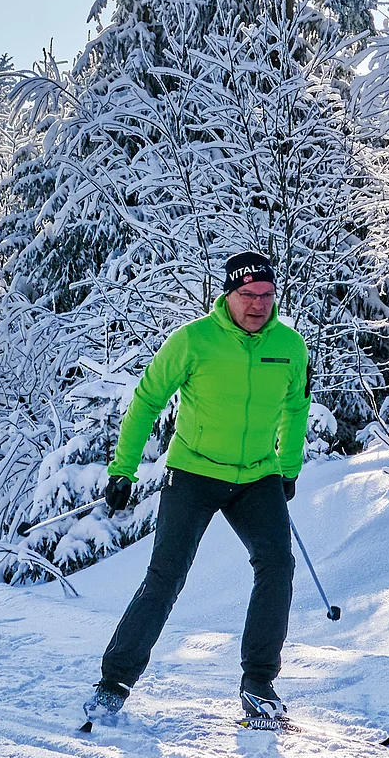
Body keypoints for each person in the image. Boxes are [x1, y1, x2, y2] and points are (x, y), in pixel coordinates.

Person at [86, 251, 310, 727]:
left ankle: (259, 684)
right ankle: (114, 682)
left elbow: (296, 408)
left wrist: (288, 469)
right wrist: (122, 469)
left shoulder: (290, 347)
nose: (257, 305)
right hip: (194, 472)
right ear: (227, 295)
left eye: (267, 295)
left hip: (257, 476)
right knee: (166, 576)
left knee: (278, 566)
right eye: (247, 295)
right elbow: (147, 399)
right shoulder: (193, 342)